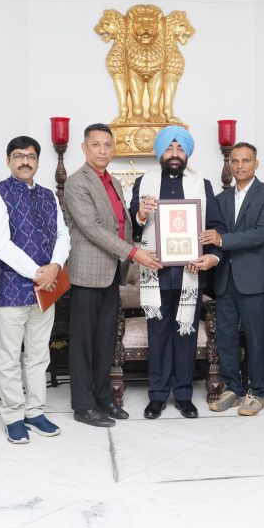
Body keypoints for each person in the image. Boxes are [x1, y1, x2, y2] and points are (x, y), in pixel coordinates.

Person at [64, 123, 160, 427]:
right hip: (87, 273)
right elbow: (91, 228)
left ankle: (103, 397)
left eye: (107, 145)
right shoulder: (76, 182)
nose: (102, 150)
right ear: (84, 148)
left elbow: (122, 224)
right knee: (83, 343)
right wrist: (134, 253)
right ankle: (83, 406)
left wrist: (139, 219)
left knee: (105, 340)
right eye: (96, 145)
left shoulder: (114, 182)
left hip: (111, 272)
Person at [131, 125, 226, 419]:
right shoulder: (143, 184)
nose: (175, 154)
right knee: (158, 335)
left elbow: (217, 227)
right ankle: (157, 396)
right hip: (156, 272)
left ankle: (184, 395)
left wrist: (212, 256)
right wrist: (141, 214)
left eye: (180, 148)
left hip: (190, 273)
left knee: (186, 334)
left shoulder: (202, 184)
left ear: (187, 153)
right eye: (169, 148)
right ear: (160, 152)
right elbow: (131, 226)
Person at [0, 135, 69, 443]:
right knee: (8, 356)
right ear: (8, 160)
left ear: (38, 161)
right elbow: (0, 243)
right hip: (11, 288)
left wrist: (55, 266)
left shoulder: (48, 195)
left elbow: (63, 235)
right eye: (18, 156)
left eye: (31, 156)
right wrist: (37, 273)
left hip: (47, 288)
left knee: (38, 355)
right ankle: (13, 416)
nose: (25, 161)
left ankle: (34, 411)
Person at [204, 142, 264, 416]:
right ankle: (233, 388)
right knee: (225, 336)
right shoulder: (220, 198)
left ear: (256, 163)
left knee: (255, 337)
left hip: (255, 279)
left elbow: (261, 234)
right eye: (234, 161)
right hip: (224, 278)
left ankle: (256, 392)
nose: (239, 166)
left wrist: (221, 240)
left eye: (245, 160)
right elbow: (211, 232)